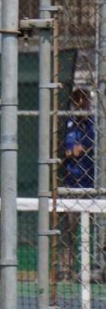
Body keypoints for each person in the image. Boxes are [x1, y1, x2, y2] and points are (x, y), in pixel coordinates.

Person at [58, 86, 96, 280]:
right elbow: (66, 150)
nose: (81, 103)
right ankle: (66, 269)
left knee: (93, 231)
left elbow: (88, 146)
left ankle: (94, 267)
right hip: (71, 185)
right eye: (77, 100)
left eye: (84, 99)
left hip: (91, 185)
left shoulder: (94, 124)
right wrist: (68, 152)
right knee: (70, 231)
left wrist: (81, 149)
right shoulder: (69, 124)